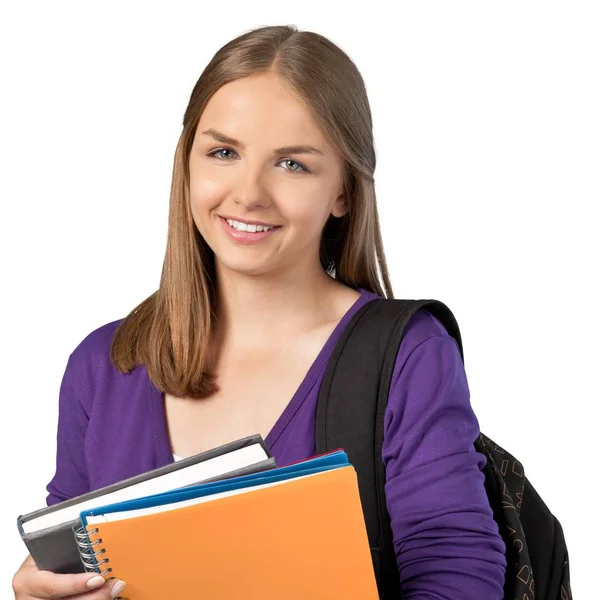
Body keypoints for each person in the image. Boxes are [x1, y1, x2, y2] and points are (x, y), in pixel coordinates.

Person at [12, 24, 507, 600]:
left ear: (344, 192)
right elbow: (70, 562)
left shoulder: (406, 355)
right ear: (188, 164)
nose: (249, 193)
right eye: (223, 152)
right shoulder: (104, 365)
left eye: (292, 164)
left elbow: (456, 568)